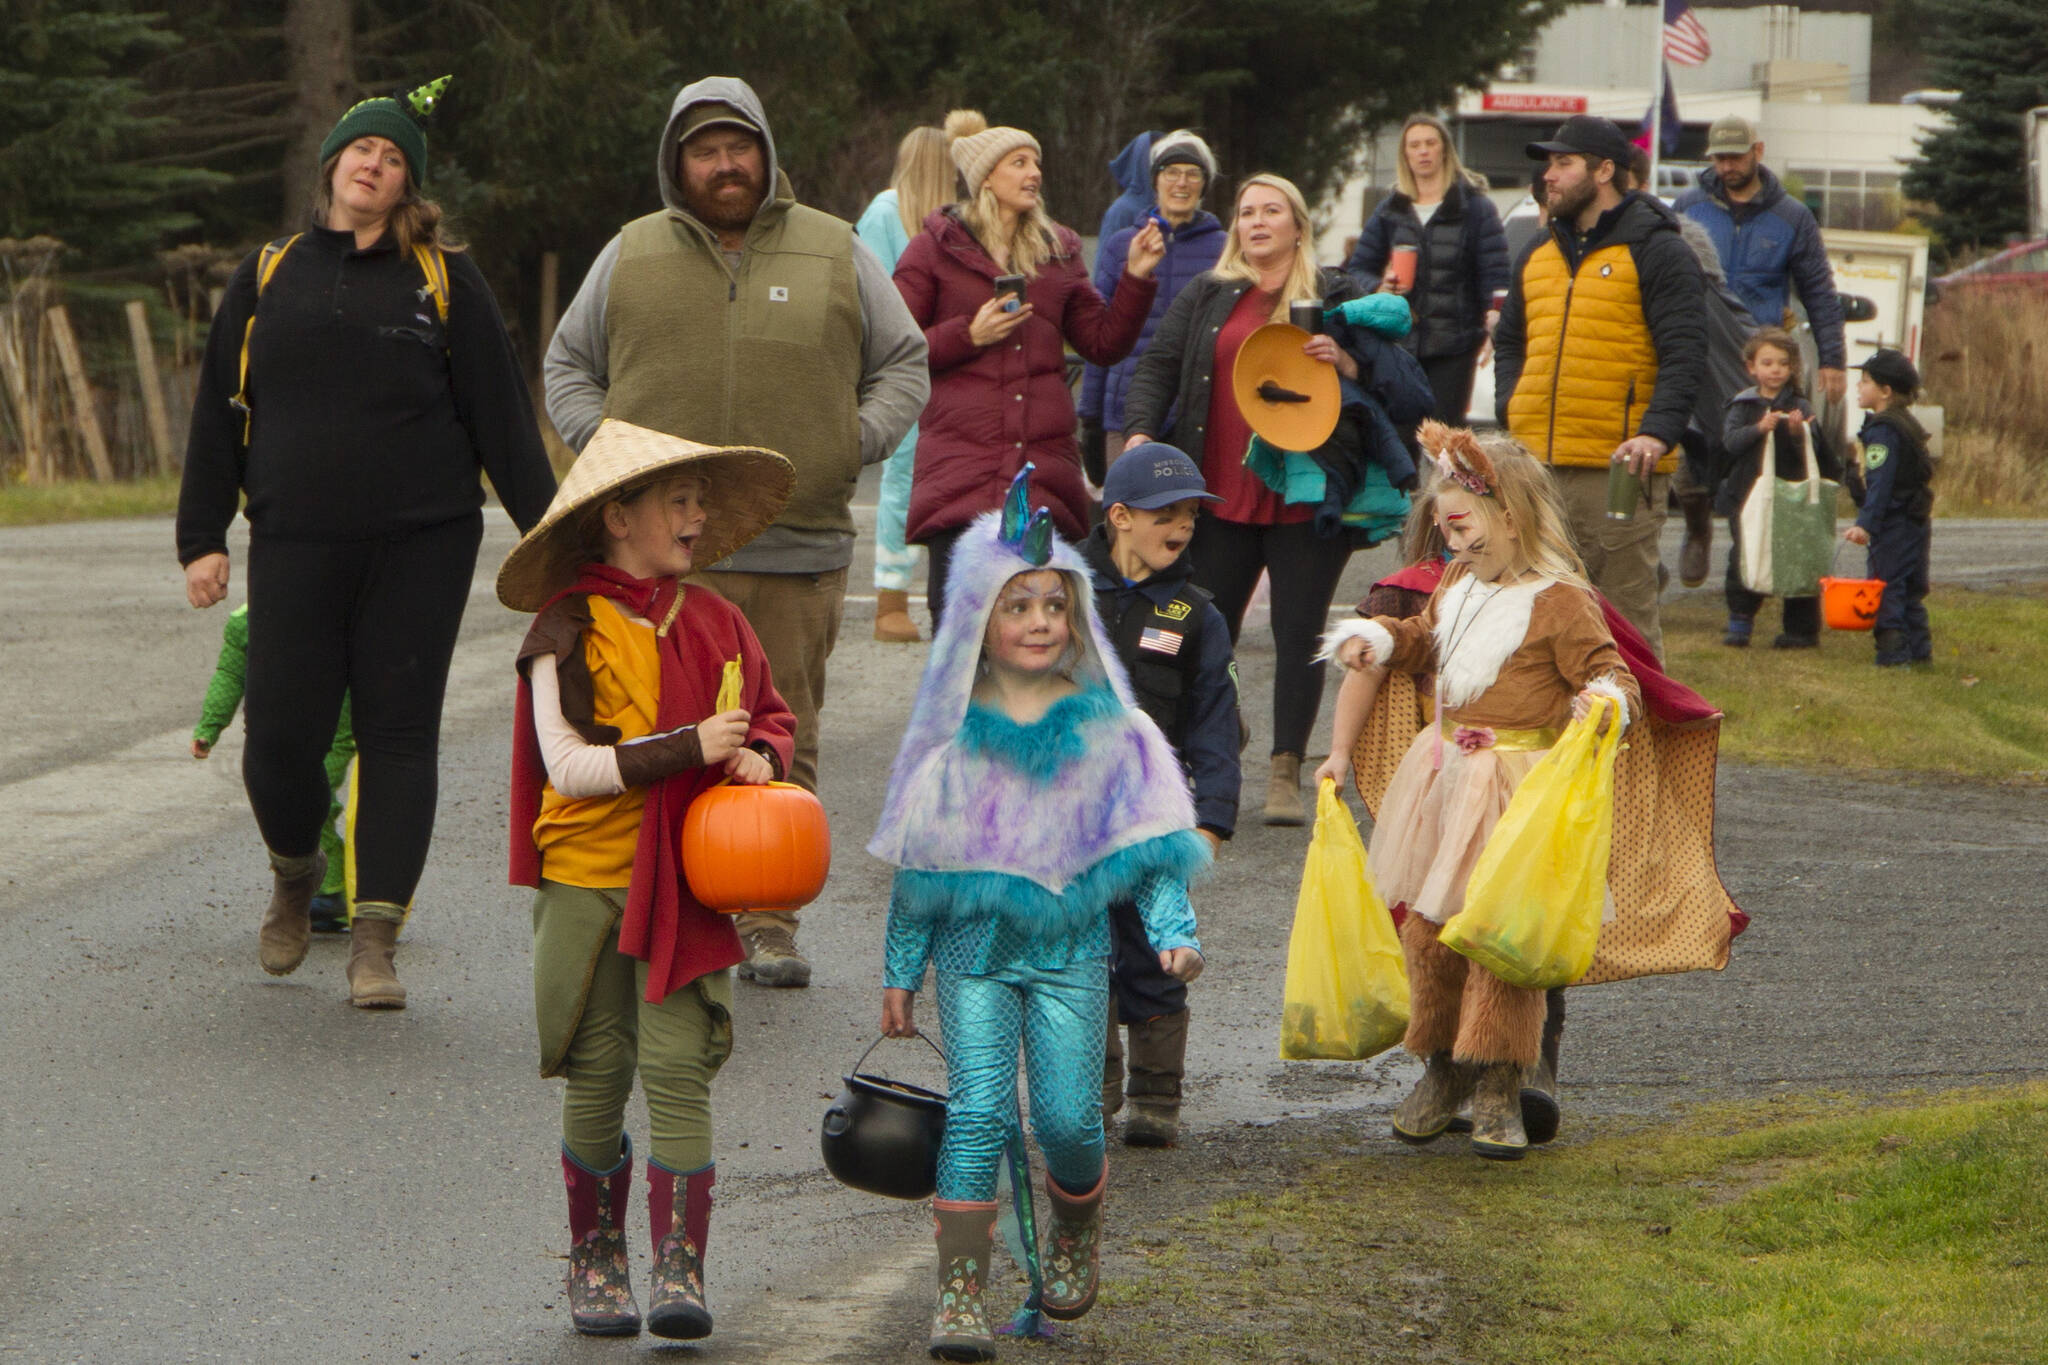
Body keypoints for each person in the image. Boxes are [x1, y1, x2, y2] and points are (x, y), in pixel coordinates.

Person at [177, 78, 557, 1009]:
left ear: (406, 185)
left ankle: (375, 942)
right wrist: (202, 536)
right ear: (332, 164)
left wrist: (555, 543)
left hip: (421, 544)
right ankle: (295, 870)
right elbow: (220, 413)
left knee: (398, 734)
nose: (374, 165)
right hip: (295, 540)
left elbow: (502, 420)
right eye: (362, 150)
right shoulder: (268, 273)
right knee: (279, 739)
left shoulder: (444, 278)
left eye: (392, 158)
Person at [545, 76, 929, 989]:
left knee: (778, 731)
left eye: (739, 146)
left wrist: (849, 444)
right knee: (661, 732)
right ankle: (668, 907)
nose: (726, 165)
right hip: (659, 560)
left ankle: (767, 917)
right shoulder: (631, 252)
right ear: (677, 164)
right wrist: (614, 462)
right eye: (706, 151)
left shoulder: (834, 247)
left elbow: (905, 360)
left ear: (766, 151)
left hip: (798, 546)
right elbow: (567, 367)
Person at [871, 468, 1208, 1360]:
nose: (1037, 621)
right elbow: (920, 864)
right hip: (972, 953)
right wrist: (901, 971)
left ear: (1076, 617)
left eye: (1054, 605)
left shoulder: (1109, 728)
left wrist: (1173, 930)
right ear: (977, 620)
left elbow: (1146, 838)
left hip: (1070, 952)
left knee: (1066, 1119)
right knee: (978, 1110)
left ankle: (1074, 1226)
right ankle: (959, 1292)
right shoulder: (953, 731)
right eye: (1016, 605)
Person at [1319, 441, 1743, 1147]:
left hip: (1518, 789)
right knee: (1427, 927)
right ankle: (1442, 1065)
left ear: (1512, 518)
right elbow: (1426, 638)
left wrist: (1605, 700)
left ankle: (1499, 1081)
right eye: (1446, 529)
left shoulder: (1561, 600)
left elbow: (1611, 671)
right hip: (1444, 780)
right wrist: (1383, 640)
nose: (1454, 543)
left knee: (1503, 935)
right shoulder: (1458, 584)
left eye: (1464, 527)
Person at [500, 420, 798, 1341]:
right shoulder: (563, 627)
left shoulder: (719, 620)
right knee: (597, 1070)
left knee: (677, 1068)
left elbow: (772, 716)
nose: (697, 516)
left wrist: (759, 755)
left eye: (701, 500)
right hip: (586, 879)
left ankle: (680, 1266)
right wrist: (688, 748)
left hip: (690, 880)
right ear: (618, 516)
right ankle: (596, 1257)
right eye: (679, 500)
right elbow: (568, 767)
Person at [1121, 173, 1368, 826]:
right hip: (1218, 493)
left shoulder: (1336, 293)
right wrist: (1141, 430)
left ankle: (1286, 769)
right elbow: (1158, 363)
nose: (1256, 221)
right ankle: (1217, 739)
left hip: (1305, 495)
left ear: (1298, 226)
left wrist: (1347, 362)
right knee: (1204, 630)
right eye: (1246, 211)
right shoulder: (1210, 291)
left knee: (1299, 633)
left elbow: (1392, 375)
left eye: (1271, 210)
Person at [894, 112, 1164, 625]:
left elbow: (1102, 342)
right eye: (1018, 162)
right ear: (985, 178)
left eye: (1036, 162)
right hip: (961, 479)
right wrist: (968, 335)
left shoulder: (1057, 251)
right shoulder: (934, 248)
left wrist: (1136, 277)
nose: (1034, 173)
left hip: (1044, 481)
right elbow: (894, 346)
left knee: (1044, 633)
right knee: (961, 635)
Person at [1494, 115, 1707, 660]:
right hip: (1535, 469)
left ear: (1605, 171)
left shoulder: (1659, 250)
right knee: (1534, 624)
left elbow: (1685, 352)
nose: (1549, 175)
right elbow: (1510, 340)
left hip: (1617, 470)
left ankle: (1634, 719)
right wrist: (1511, 407)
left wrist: (1657, 433)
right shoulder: (1537, 253)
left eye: (1563, 163)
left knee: (1623, 626)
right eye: (1548, 164)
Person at [1082, 446, 1240, 1148]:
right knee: (1077, 948)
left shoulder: (1195, 614)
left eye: (1191, 515)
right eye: (1165, 513)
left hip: (1151, 813)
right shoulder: (1059, 591)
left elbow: (1215, 721)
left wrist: (1213, 820)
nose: (1182, 526)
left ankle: (1155, 1092)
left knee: (1154, 948)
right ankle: (1088, 1088)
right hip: (1069, 812)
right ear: (1119, 516)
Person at [1674, 117, 1846, 591]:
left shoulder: (1791, 217)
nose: (1727, 166)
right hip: (1700, 345)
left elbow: (1818, 290)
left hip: (1761, 358)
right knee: (1690, 444)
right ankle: (1696, 525)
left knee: (1753, 457)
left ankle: (1746, 567)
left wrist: (1832, 358)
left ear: (1758, 151)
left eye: (1735, 156)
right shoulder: (1688, 208)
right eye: (1719, 158)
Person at [192, 604, 356, 933]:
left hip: (340, 723)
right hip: (288, 728)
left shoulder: (338, 605)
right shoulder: (245, 621)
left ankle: (332, 889)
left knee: (317, 797)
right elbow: (230, 675)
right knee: (287, 800)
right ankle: (321, 887)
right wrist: (209, 726)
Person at [857, 119, 960, 644]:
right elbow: (872, 292)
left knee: (951, 477)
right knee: (902, 474)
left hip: (952, 361)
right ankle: (890, 596)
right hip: (903, 361)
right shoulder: (884, 213)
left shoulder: (955, 218)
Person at [1343, 114, 1509, 423]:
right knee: (1400, 435)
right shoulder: (1391, 209)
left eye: (1430, 143)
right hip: (1399, 344)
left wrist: (1494, 327)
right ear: (1405, 154)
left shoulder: (1475, 207)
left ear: (1444, 149)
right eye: (1415, 145)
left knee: (1442, 437)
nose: (1423, 151)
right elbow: (1357, 271)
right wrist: (1379, 286)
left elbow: (1495, 277)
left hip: (1456, 347)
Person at [1079, 131, 1227, 478]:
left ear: (1204, 185)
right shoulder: (1123, 245)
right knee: (1127, 505)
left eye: (1192, 174)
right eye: (1171, 172)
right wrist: (1090, 414)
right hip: (1124, 412)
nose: (1181, 182)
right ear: (1155, 180)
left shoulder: (1225, 249)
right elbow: (1100, 332)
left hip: (1197, 416)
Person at [1718, 328, 1838, 648]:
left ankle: (1801, 630)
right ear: (1751, 367)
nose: (1775, 370)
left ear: (1793, 367)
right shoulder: (1742, 404)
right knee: (1746, 553)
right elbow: (1730, 443)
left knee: (1797, 554)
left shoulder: (1800, 405)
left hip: (1792, 493)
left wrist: (1798, 433)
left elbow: (1817, 452)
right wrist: (1759, 428)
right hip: (1748, 494)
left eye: (1783, 364)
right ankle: (1740, 621)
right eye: (1767, 363)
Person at [1842, 349, 1934, 667]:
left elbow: (1881, 483)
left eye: (1865, 381)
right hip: (1915, 518)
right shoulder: (1905, 423)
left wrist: (1866, 524)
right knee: (1910, 589)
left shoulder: (1883, 430)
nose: (1858, 386)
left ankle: (1893, 653)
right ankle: (1919, 653)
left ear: (1885, 391)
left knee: (1885, 585)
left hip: (1895, 521)